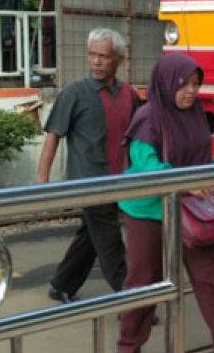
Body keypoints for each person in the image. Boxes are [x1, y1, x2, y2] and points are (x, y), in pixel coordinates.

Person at [114, 52, 214, 353]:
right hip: (148, 211)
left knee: (211, 279)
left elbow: (204, 154)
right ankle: (128, 348)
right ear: (167, 84)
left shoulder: (195, 115)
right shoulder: (149, 117)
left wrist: (212, 176)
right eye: (184, 85)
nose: (191, 92)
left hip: (191, 213)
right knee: (145, 280)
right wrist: (185, 183)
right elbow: (144, 164)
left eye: (196, 85)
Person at [37, 28, 139, 303]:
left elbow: (141, 135)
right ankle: (132, 300)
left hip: (120, 179)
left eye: (103, 56)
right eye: (92, 55)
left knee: (91, 237)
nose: (95, 61)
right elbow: (53, 136)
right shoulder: (74, 92)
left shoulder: (129, 94)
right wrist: (42, 181)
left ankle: (62, 284)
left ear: (118, 59)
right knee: (110, 243)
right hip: (89, 182)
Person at [0, 0, 23, 71]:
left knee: (14, 58)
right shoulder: (2, 4)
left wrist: (13, 35)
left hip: (13, 37)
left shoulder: (16, 2)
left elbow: (19, 19)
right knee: (4, 59)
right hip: (3, 37)